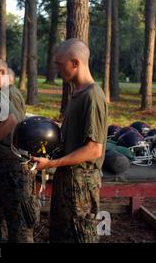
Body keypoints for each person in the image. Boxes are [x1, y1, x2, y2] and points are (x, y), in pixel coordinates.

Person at [32, 38, 108, 243]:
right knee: (61, 236)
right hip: (67, 179)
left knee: (81, 237)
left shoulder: (93, 96)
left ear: (75, 63)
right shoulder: (78, 93)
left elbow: (94, 150)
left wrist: (52, 164)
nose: (56, 69)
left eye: (59, 64)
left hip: (81, 184)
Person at [0, 57, 39, 242]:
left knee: (18, 224)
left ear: (2, 73)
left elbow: (11, 121)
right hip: (3, 164)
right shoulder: (3, 92)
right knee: (4, 219)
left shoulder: (5, 94)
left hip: (10, 164)